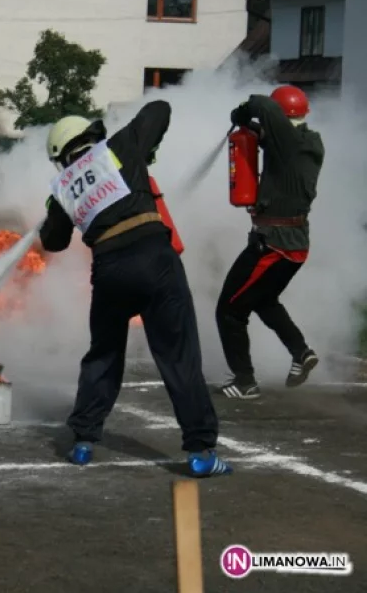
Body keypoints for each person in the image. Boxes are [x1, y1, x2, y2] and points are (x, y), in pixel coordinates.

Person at [40, 103, 233, 478]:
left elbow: (54, 241)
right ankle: (201, 451)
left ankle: (82, 441)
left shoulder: (63, 187)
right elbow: (160, 109)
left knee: (104, 354)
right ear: (90, 135)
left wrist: (53, 214)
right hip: (154, 258)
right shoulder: (118, 147)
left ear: (61, 154)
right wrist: (141, 145)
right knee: (179, 354)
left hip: (109, 270)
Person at [216, 85, 324, 400]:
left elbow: (262, 104)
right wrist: (252, 127)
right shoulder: (309, 142)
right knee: (262, 301)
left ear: (280, 115)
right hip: (294, 245)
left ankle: (245, 381)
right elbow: (271, 136)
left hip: (273, 244)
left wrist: (242, 112)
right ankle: (301, 352)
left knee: (230, 309)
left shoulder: (286, 142)